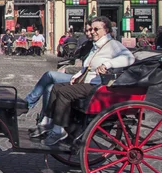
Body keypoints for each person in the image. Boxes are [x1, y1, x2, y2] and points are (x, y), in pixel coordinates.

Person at [33, 17, 135, 146]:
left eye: (96, 29)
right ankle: (47, 122)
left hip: (98, 86)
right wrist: (77, 75)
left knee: (64, 92)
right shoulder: (96, 45)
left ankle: (59, 130)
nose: (92, 31)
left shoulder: (113, 44)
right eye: (91, 29)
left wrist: (108, 64)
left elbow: (129, 58)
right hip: (87, 82)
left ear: (106, 30)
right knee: (56, 87)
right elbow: (88, 66)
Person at [25, 22, 94, 121]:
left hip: (83, 78)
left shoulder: (97, 47)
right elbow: (77, 60)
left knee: (49, 75)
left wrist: (67, 69)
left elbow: (86, 68)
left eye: (91, 30)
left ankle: (28, 103)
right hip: (80, 75)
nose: (88, 33)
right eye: (86, 30)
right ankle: (44, 119)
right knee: (49, 88)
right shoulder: (87, 44)